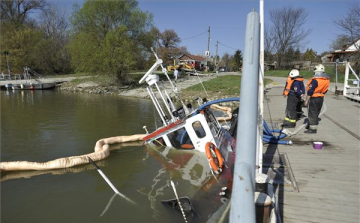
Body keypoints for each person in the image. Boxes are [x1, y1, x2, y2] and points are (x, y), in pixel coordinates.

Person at [304, 64, 330, 134]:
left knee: (312, 113)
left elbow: (310, 91)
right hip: (321, 98)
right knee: (317, 112)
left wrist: (306, 100)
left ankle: (312, 129)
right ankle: (310, 124)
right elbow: (326, 90)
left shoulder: (315, 80)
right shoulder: (326, 80)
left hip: (314, 98)